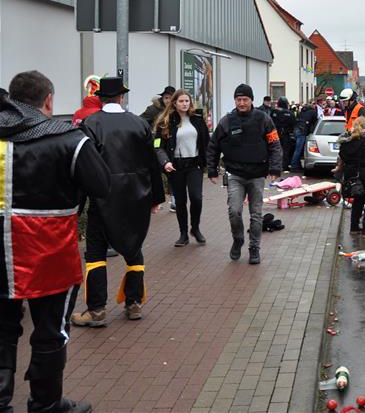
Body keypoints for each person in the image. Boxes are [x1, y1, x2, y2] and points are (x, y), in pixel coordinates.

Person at [0, 71, 110, 413]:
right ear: (48, 100)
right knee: (50, 329)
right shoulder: (69, 139)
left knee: (2, 328)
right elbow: (102, 186)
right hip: (48, 251)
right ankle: (45, 403)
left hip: (0, 252)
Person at [73, 77, 165, 327]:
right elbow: (152, 163)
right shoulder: (139, 123)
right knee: (134, 249)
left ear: (100, 98)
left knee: (95, 254)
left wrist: (77, 206)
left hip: (104, 198)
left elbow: (83, 168)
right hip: (137, 197)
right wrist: (156, 197)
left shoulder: (90, 124)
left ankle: (96, 310)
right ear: (122, 97)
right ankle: (134, 303)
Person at [206, 84, 282, 265]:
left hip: (257, 175)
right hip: (235, 175)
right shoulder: (227, 121)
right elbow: (213, 146)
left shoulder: (263, 119)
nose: (241, 103)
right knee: (234, 211)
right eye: (238, 99)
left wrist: (275, 169)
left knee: (256, 215)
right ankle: (238, 239)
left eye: (245, 99)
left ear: (251, 100)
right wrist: (212, 170)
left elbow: (274, 145)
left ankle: (254, 248)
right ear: (235, 101)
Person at [154, 89, 210, 247]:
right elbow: (157, 146)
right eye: (181, 101)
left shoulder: (198, 120)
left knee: (196, 198)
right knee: (180, 201)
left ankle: (195, 228)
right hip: (175, 166)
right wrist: (165, 162)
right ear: (174, 103)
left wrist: (210, 164)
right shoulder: (165, 121)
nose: (185, 104)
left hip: (194, 165)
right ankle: (183, 233)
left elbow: (207, 143)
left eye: (187, 101)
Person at [290, 100, 318, 172]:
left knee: (298, 149)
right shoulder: (313, 112)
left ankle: (297, 165)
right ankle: (294, 166)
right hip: (302, 131)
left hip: (296, 130)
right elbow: (315, 123)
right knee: (298, 150)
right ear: (311, 105)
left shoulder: (302, 111)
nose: (315, 105)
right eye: (314, 103)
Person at [270, 97, 297, 172]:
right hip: (285, 134)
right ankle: (284, 166)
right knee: (285, 151)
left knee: (274, 150)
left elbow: (270, 122)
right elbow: (294, 123)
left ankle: (274, 166)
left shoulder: (274, 111)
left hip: (275, 133)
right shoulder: (289, 113)